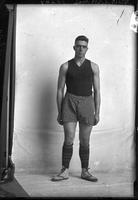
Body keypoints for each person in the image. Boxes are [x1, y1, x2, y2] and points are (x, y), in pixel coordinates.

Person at [51, 35, 101, 182]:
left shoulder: (93, 67)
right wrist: (60, 111)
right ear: (74, 47)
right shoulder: (65, 66)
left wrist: (97, 112)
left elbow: (97, 91)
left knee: (85, 141)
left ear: (87, 48)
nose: (81, 48)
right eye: (78, 46)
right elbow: (60, 90)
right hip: (69, 102)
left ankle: (85, 171)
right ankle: (64, 170)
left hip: (87, 103)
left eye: (84, 46)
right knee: (69, 139)